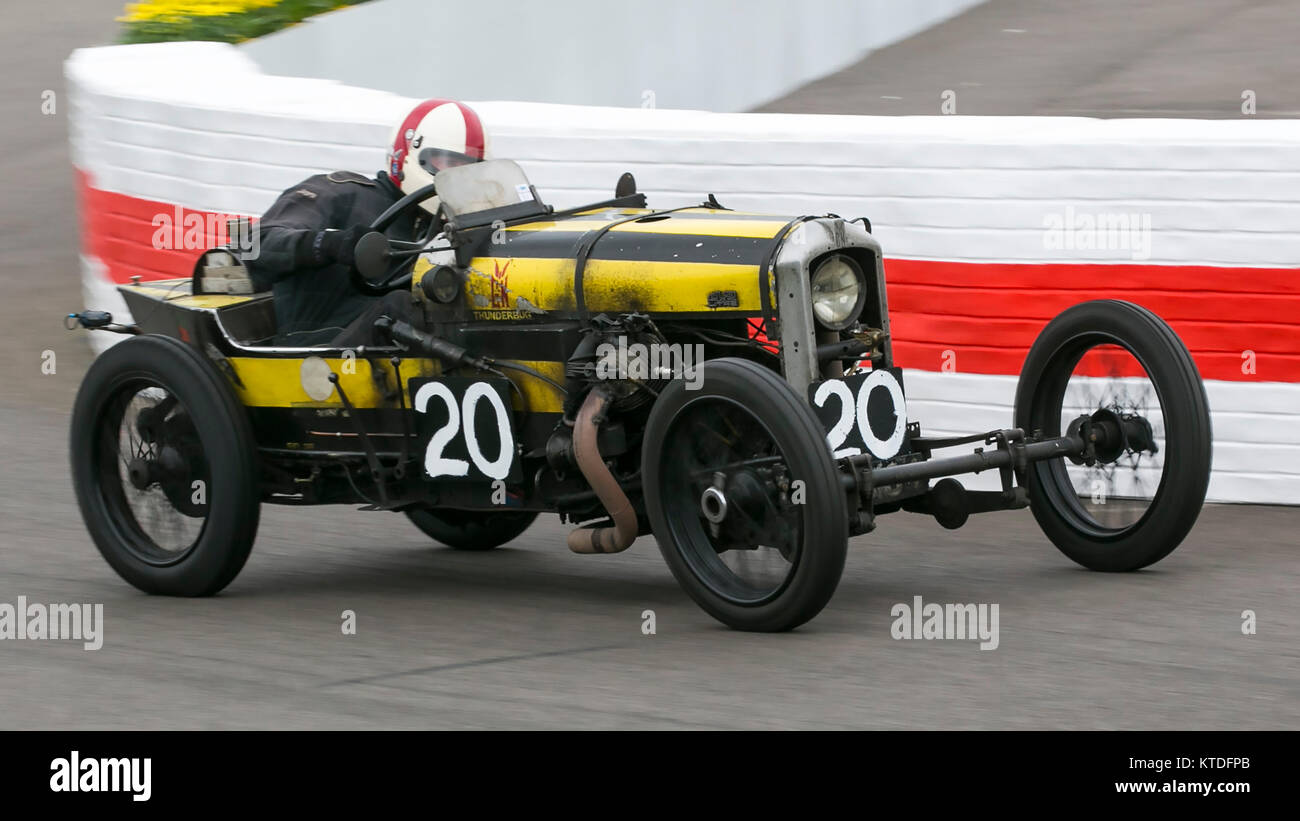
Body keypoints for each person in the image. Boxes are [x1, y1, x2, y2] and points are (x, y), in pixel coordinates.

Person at [243, 99, 488, 346]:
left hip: (392, 350)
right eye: (446, 162)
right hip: (316, 348)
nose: (455, 174)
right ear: (408, 153)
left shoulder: (448, 226)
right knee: (401, 304)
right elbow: (253, 244)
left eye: (465, 167)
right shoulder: (340, 193)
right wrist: (330, 243)